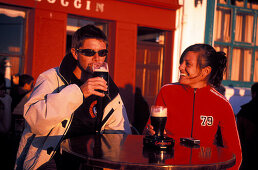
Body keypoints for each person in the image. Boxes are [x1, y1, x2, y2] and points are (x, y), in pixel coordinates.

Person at [15, 24, 131, 170]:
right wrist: (79, 92)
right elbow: (34, 122)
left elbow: (120, 131)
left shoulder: (109, 90)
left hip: (89, 163)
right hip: (51, 159)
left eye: (102, 53)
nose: (97, 58)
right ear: (75, 53)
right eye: (89, 52)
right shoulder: (51, 78)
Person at [145, 44, 242, 169]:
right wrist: (150, 133)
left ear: (205, 71)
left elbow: (235, 155)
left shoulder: (222, 104)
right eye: (181, 62)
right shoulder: (167, 92)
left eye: (187, 64)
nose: (180, 67)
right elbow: (146, 134)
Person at [236, 82, 258, 170]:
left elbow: (239, 135)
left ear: (254, 94)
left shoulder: (245, 111)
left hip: (247, 153)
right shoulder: (245, 111)